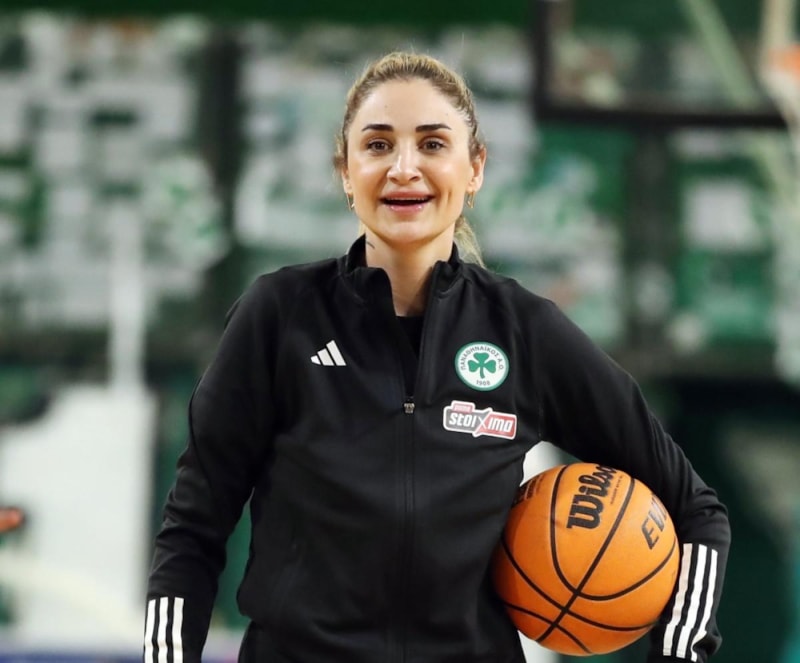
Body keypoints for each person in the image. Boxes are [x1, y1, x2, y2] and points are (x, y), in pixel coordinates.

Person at [143, 51, 730, 663]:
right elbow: (192, 530)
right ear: (345, 171)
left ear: (474, 169)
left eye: (432, 144)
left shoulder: (524, 331)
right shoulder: (279, 315)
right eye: (377, 145)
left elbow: (696, 511)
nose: (404, 169)